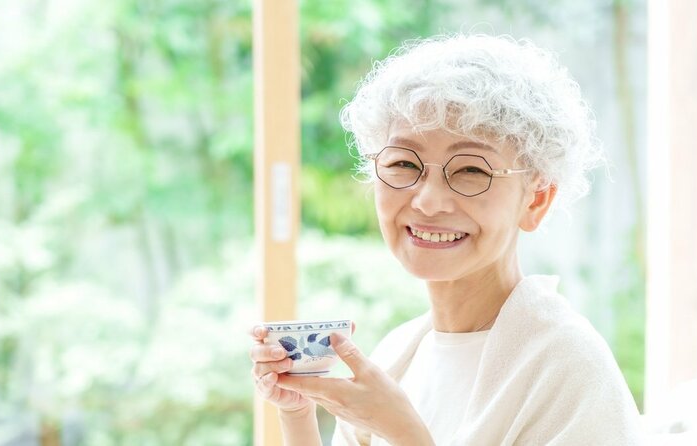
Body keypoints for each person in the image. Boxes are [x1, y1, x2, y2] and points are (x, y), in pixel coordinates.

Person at [249, 34, 642, 445]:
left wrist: (404, 433)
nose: (429, 201)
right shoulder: (398, 352)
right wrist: (296, 412)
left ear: (536, 200)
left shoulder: (568, 364)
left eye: (471, 170)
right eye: (403, 163)